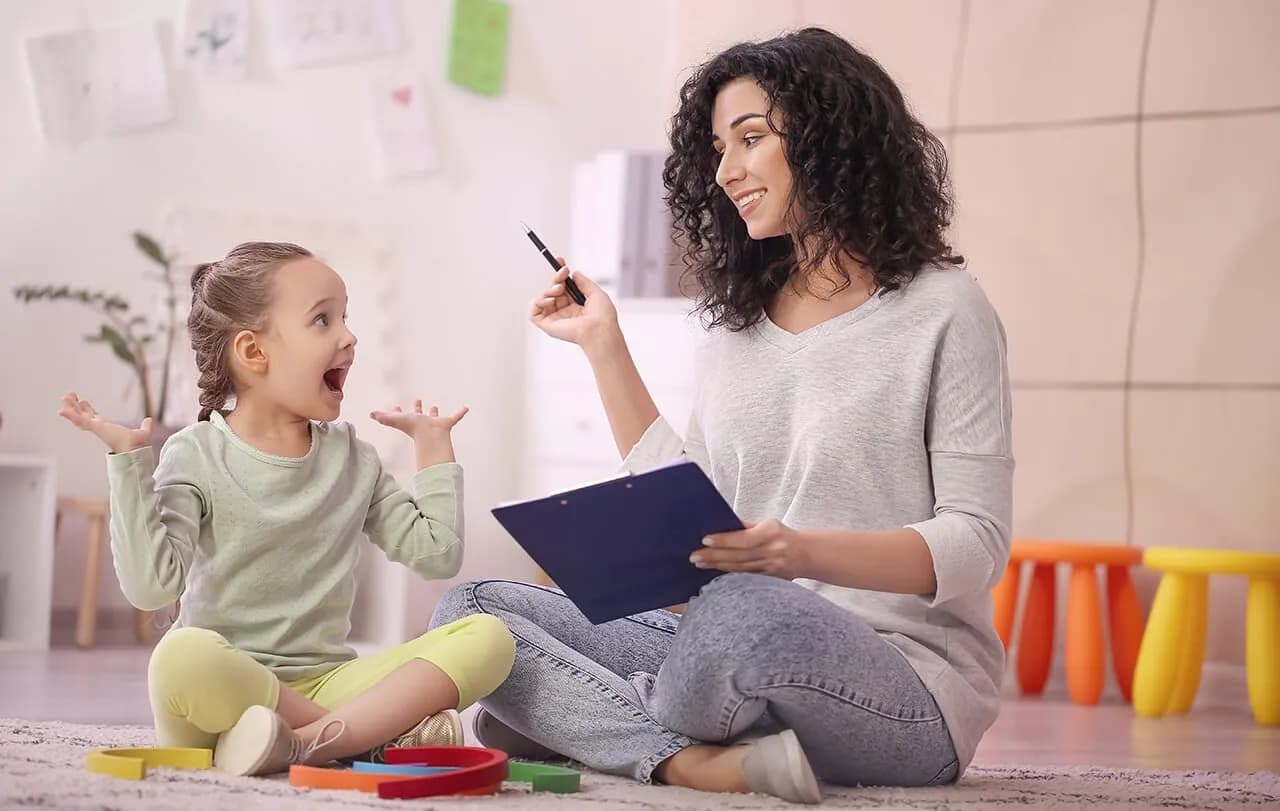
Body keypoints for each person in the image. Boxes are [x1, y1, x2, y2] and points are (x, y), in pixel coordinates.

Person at [431, 27, 1013, 804]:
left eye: (751, 138)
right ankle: (691, 757)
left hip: (903, 682)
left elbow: (976, 543)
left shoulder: (946, 310)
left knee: (733, 615)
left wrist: (794, 553)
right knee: (473, 614)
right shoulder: (736, 328)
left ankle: (590, 719)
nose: (726, 170)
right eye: (717, 148)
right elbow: (694, 505)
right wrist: (602, 344)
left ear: (832, 137)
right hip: (720, 641)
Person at [59, 241, 515, 776]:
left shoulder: (353, 459)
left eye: (345, 317)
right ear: (254, 353)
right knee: (181, 656)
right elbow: (152, 589)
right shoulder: (195, 453)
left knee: (491, 637)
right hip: (221, 693)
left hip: (329, 682)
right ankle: (359, 736)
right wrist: (129, 464)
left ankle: (304, 743)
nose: (349, 337)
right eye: (323, 320)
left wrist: (434, 451)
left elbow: (436, 555)